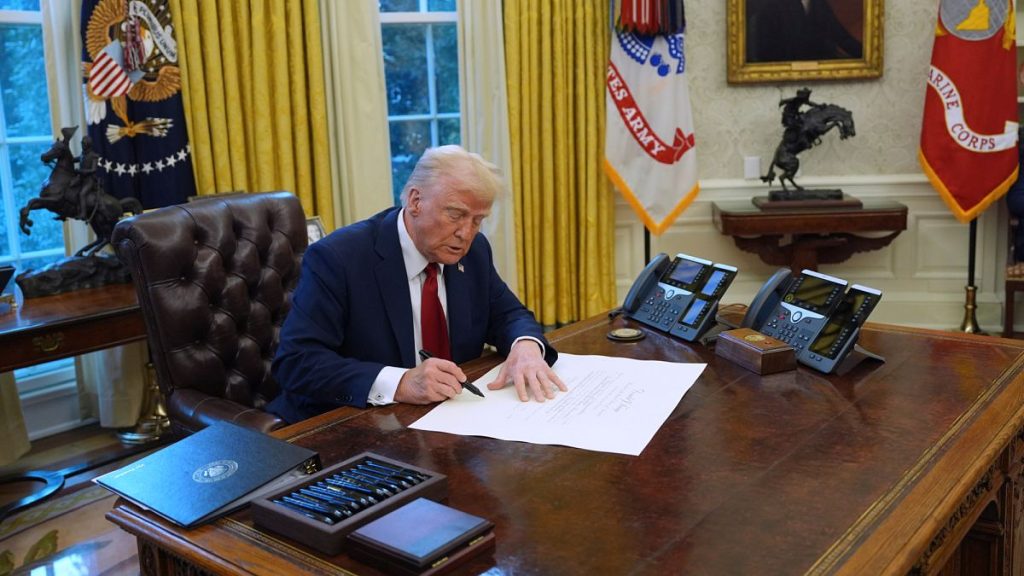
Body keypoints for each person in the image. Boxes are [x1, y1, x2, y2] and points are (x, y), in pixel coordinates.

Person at [267, 145, 565, 424]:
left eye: (477, 220)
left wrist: (525, 347)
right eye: (456, 214)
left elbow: (508, 314)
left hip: (451, 420)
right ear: (415, 201)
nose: (466, 233)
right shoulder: (340, 258)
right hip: (351, 425)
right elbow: (297, 362)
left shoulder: (473, 252)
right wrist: (400, 383)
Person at [746, 0, 863, 63]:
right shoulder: (772, 6)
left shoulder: (817, 3)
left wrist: (865, 55)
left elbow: (840, 35)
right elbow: (767, 54)